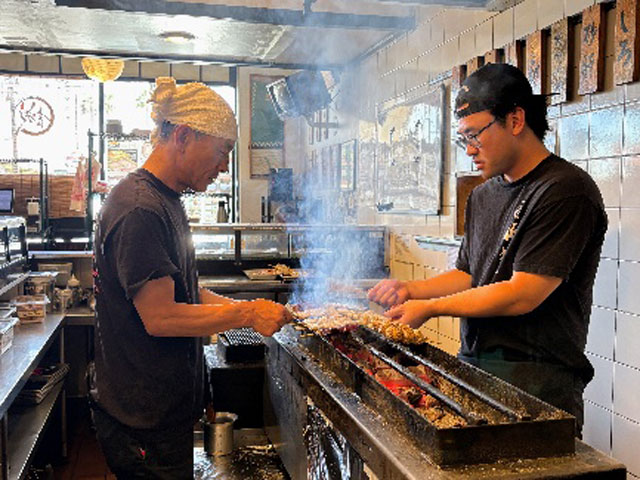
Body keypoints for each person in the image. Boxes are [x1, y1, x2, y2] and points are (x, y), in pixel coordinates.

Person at [368, 63, 607, 434]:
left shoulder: (564, 190)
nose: (469, 150)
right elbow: (469, 275)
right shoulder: (482, 195)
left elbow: (523, 293)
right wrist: (411, 290)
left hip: (537, 380)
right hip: (475, 366)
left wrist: (431, 307)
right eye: (462, 138)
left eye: (475, 135)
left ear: (515, 120)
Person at [91, 77, 292, 478]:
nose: (224, 166)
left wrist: (249, 310)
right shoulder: (140, 209)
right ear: (183, 136)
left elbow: (185, 291)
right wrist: (248, 314)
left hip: (161, 410)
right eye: (222, 151)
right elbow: (162, 317)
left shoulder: (167, 199)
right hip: (143, 421)